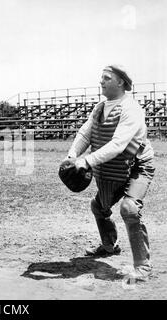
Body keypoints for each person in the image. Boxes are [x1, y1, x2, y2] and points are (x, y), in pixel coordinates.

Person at [64, 64, 155, 282]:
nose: (101, 81)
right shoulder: (100, 107)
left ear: (121, 81)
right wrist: (71, 156)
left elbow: (118, 145)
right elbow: (85, 134)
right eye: (101, 77)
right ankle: (109, 246)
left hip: (138, 166)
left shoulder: (130, 108)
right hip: (113, 168)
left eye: (106, 77)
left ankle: (142, 268)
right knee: (99, 207)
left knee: (129, 208)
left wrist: (86, 161)